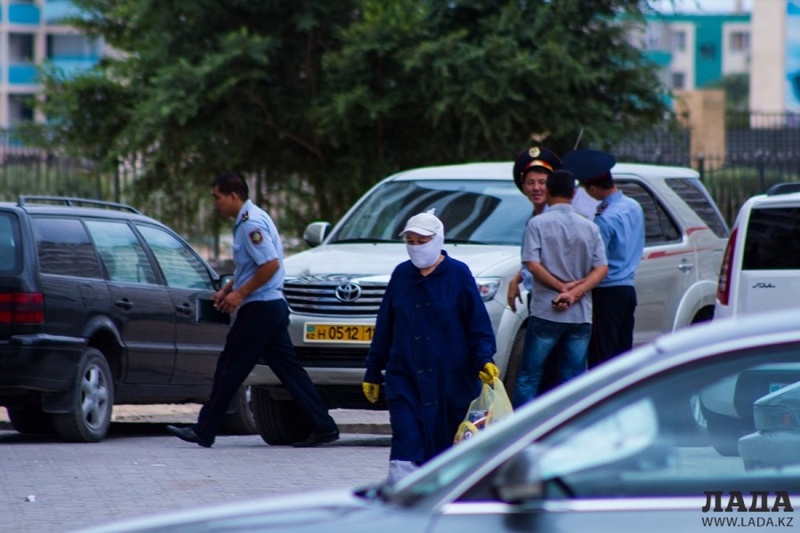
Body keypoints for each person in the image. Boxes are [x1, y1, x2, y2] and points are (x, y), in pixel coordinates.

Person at [167, 172, 339, 448]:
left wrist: (239, 295)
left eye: (217, 197)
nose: (215, 203)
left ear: (234, 196)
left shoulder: (250, 225)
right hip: (269, 308)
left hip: (260, 308)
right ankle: (324, 426)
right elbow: (252, 266)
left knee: (229, 368)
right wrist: (228, 289)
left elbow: (269, 264)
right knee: (290, 371)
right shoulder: (250, 219)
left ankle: (204, 429)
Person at [362, 210, 498, 484]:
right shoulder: (401, 275)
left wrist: (483, 359)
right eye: (410, 240)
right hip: (406, 380)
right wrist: (373, 371)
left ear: (437, 240)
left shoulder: (458, 275)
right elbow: (385, 324)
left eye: (421, 240)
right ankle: (404, 504)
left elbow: (478, 326)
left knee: (449, 451)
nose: (415, 246)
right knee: (406, 443)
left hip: (452, 382)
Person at [512, 170, 608, 407]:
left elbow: (532, 264)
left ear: (548, 192)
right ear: (574, 194)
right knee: (573, 380)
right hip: (580, 314)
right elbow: (601, 269)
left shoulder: (537, 224)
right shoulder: (590, 227)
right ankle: (570, 431)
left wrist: (560, 288)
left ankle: (524, 430)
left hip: (546, 310)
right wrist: (573, 293)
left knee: (528, 378)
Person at [562, 149, 645, 367]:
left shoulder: (604, 219)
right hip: (628, 289)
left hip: (607, 293)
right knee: (623, 353)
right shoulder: (634, 207)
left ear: (593, 188)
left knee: (603, 356)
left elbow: (597, 262)